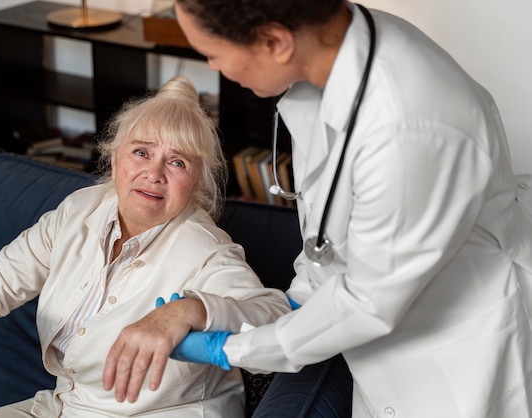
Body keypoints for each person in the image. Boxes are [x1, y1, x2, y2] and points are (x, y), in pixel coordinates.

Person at [104, 1, 532, 417]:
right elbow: (328, 244)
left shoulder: (409, 128)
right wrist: (242, 310)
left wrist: (229, 350)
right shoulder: (328, 66)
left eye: (214, 55)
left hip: (454, 358)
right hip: (379, 339)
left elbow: (365, 304)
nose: (215, 69)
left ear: (274, 41)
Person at [0, 75, 292, 417]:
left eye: (177, 163)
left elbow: (278, 322)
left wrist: (189, 311)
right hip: (66, 404)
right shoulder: (79, 209)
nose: (153, 174)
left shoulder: (205, 248)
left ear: (198, 182)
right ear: (114, 156)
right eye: (141, 152)